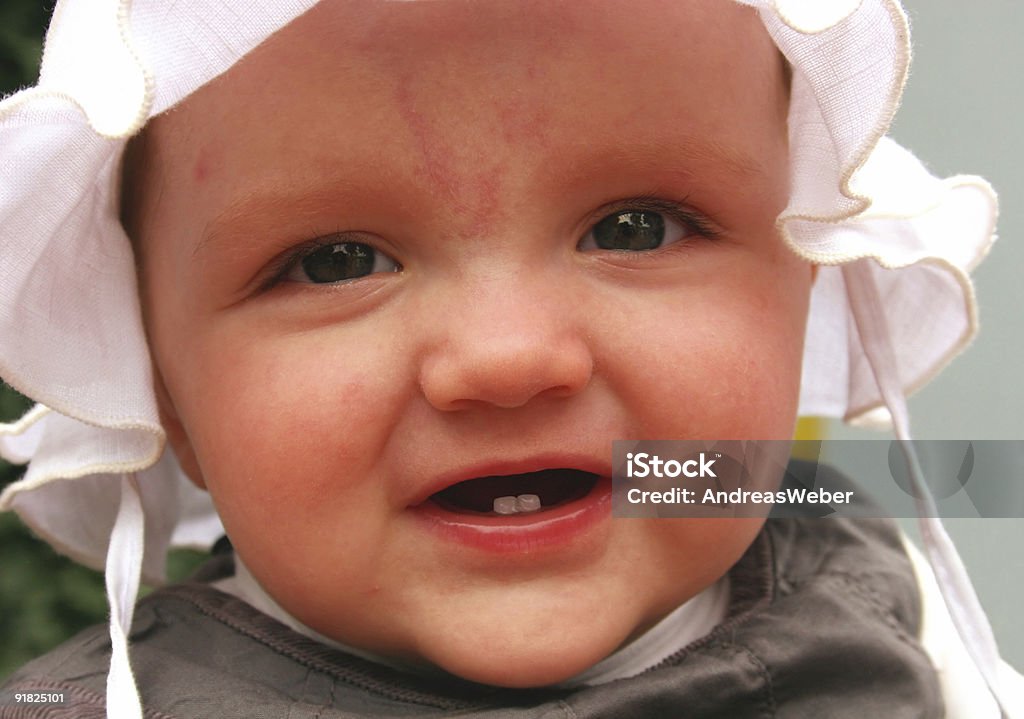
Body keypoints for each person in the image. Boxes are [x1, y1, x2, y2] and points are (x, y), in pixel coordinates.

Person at [0, 0, 1020, 716]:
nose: (506, 357)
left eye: (633, 227)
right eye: (337, 260)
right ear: (165, 389)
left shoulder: (862, 570)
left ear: (803, 275)